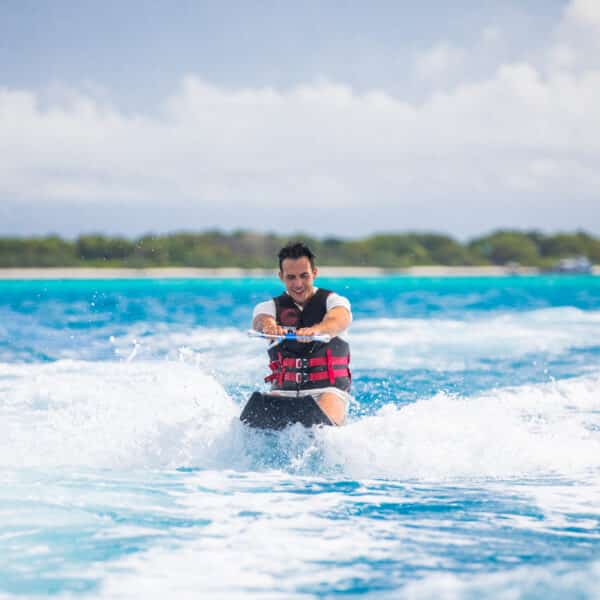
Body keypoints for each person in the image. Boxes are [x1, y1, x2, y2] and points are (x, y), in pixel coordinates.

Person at [252, 241, 353, 425]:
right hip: (283, 392)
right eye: (291, 277)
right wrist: (269, 327)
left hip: (328, 390)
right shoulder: (269, 307)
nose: (298, 284)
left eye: (304, 276)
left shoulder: (334, 301)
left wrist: (317, 330)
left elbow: (338, 319)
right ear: (281, 276)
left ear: (314, 273)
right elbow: (261, 320)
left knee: (325, 427)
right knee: (257, 424)